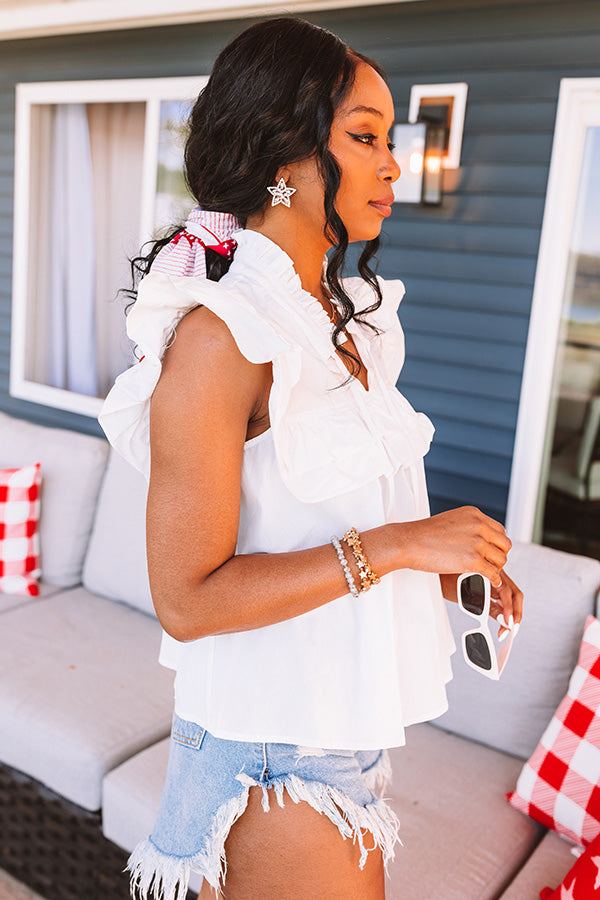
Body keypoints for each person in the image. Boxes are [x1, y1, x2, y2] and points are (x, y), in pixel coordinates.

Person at [99, 16, 523, 900]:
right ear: (282, 156)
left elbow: (329, 523)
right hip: (271, 753)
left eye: (389, 138)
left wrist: (443, 565)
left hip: (334, 726)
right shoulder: (223, 338)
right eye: (363, 137)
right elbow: (187, 598)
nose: (392, 163)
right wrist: (403, 546)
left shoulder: (343, 320)